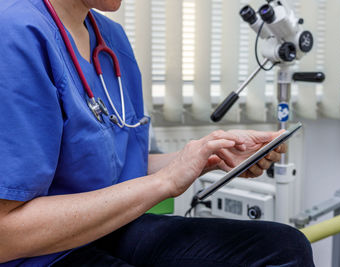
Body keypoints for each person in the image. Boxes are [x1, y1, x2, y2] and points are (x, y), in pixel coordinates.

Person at [0, 0, 314, 266]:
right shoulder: (14, 31)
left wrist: (208, 154)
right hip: (38, 254)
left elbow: (115, 168)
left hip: (107, 227)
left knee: (284, 247)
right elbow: (5, 235)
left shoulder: (110, 39)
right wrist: (165, 182)